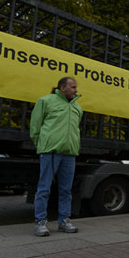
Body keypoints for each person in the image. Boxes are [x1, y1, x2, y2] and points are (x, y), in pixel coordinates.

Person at [30, 77, 83, 236]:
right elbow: (35, 126)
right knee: (44, 188)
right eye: (73, 87)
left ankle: (64, 221)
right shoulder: (45, 101)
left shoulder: (77, 108)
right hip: (51, 152)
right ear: (62, 88)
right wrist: (43, 144)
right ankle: (40, 222)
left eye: (75, 87)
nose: (76, 90)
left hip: (70, 154)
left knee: (66, 190)